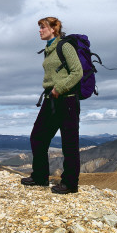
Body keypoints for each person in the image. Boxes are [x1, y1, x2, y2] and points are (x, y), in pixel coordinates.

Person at [21, 17, 83, 194]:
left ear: (54, 29)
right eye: (39, 27)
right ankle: (40, 177)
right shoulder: (49, 49)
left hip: (67, 99)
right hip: (51, 99)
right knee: (38, 137)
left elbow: (78, 71)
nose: (39, 30)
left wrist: (60, 87)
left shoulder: (65, 46)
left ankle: (70, 184)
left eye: (43, 27)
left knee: (69, 144)